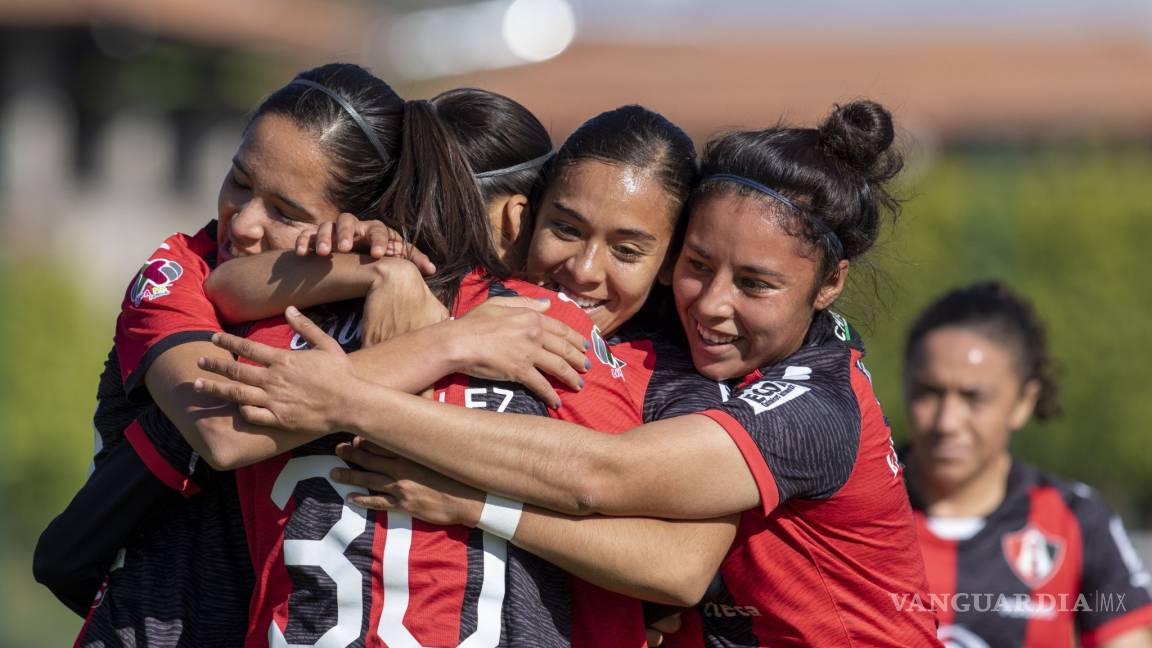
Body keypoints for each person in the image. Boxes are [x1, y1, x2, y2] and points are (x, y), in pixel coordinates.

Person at [198, 100, 943, 647]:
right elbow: (226, 285)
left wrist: (356, 401)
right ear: (523, 219)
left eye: (755, 284)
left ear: (830, 284)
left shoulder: (808, 404)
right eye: (698, 266)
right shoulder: (625, 334)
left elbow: (613, 488)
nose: (713, 303)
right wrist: (377, 268)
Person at [35, 67, 563, 646]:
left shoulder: (414, 308)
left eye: (286, 213)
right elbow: (224, 432)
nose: (246, 222)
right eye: (239, 180)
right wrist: (440, 338)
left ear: (354, 222)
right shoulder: (174, 272)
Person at [901, 281, 1152, 648]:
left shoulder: (1074, 519)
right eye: (929, 393)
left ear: (1023, 401)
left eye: (974, 398)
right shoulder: (847, 509)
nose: (947, 422)